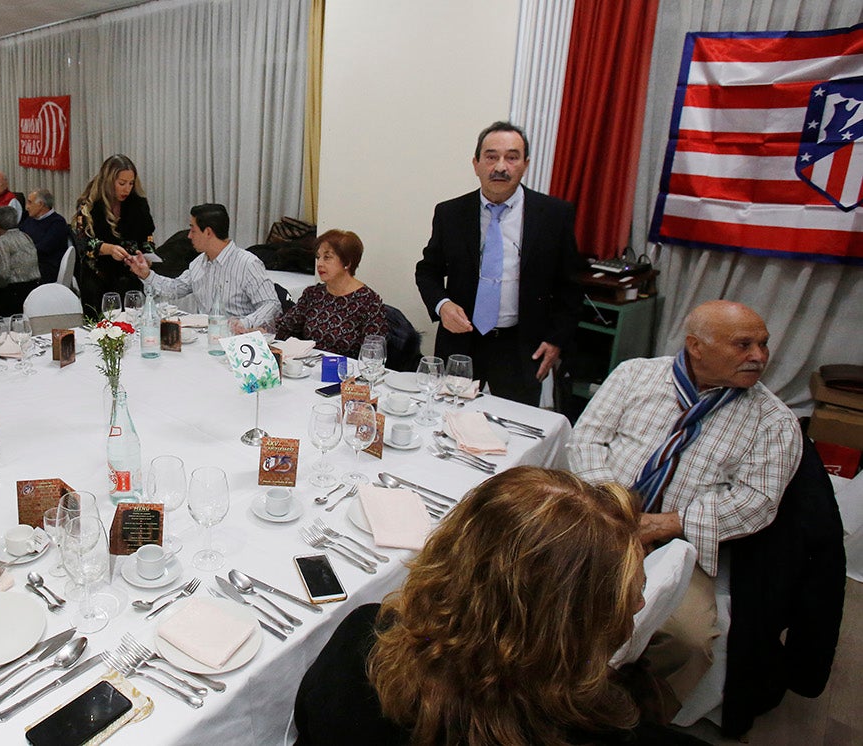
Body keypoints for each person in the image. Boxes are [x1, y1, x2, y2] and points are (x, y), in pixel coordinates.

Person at [294, 466, 707, 746]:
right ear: (567, 625)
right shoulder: (611, 729)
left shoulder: (362, 643)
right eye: (630, 593)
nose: (638, 605)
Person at [567, 300, 802, 705]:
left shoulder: (773, 421)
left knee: (686, 640)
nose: (759, 357)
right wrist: (613, 509)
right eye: (743, 345)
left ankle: (631, 714)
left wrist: (662, 525)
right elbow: (587, 439)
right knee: (536, 584)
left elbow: (757, 501)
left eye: (763, 344)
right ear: (696, 345)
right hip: (602, 516)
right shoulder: (635, 375)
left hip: (680, 544)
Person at [414, 121, 584, 406]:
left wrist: (556, 340)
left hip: (521, 346)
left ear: (525, 164)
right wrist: (442, 305)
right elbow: (427, 271)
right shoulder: (450, 213)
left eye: (512, 157)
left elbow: (571, 287)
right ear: (476, 163)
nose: (500, 167)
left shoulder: (553, 215)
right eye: (491, 157)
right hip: (461, 343)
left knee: (513, 432)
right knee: (447, 421)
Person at [126, 203, 279, 333]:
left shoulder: (247, 264)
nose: (189, 236)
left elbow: (271, 304)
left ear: (208, 232)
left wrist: (245, 323)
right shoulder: (199, 263)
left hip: (238, 341)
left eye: (193, 230)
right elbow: (175, 288)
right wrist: (146, 274)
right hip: (205, 339)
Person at [275, 229, 388, 357]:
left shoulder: (369, 302)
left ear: (347, 263)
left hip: (347, 372)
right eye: (318, 257)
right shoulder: (313, 294)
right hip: (308, 368)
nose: (319, 264)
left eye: (327, 257)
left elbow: (373, 353)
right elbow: (285, 329)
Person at [72, 155, 154, 313]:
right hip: (97, 280)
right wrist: (107, 248)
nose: (127, 189)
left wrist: (148, 256)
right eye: (122, 183)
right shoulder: (89, 205)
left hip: (129, 279)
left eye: (131, 183)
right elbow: (82, 243)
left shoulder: (138, 204)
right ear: (109, 181)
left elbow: (147, 238)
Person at [0, 206, 41, 316]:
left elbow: (2, 275)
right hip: (32, 288)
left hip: (13, 294)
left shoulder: (2, 241)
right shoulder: (25, 236)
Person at [20, 188, 70, 284]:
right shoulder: (29, 219)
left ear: (41, 204)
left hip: (46, 269)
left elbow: (43, 249)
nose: (27, 207)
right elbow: (18, 238)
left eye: (30, 203)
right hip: (28, 264)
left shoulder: (57, 223)